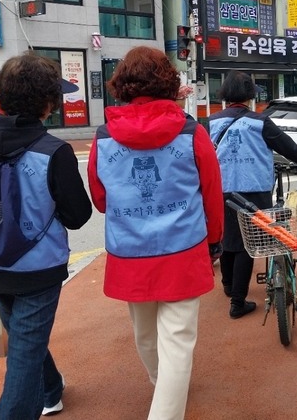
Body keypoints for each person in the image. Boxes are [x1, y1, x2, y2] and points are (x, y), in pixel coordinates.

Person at [88, 47, 224, 420]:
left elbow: (101, 200)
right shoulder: (191, 132)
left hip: (130, 250)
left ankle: (162, 385)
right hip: (184, 248)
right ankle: (168, 398)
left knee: (145, 334)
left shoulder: (104, 137)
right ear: (169, 82)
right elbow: (212, 194)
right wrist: (214, 240)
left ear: (123, 84)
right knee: (178, 340)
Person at [0, 53, 92, 419]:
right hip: (37, 271)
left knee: (24, 341)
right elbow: (78, 216)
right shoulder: (54, 152)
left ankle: (51, 389)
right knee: (23, 354)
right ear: (47, 106)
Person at [209, 71, 297, 319]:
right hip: (254, 189)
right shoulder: (260, 122)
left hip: (221, 189)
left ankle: (228, 285)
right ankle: (238, 302)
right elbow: (286, 146)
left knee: (227, 237)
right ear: (249, 96)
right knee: (249, 243)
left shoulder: (211, 122)